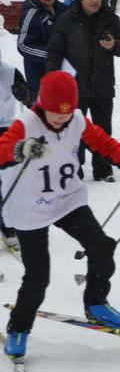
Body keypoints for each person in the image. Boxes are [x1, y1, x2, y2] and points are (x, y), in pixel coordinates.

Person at [0, 71, 120, 358]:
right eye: (55, 113)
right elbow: (2, 150)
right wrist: (20, 149)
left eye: (65, 114)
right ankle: (19, 328)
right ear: (42, 103)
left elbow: (105, 143)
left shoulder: (76, 119)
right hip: (31, 208)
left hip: (67, 200)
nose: (61, 120)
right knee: (38, 277)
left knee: (103, 246)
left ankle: (95, 303)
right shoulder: (27, 124)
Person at [46, 0, 120, 183]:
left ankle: (103, 169)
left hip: (103, 84)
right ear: (82, 0)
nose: (95, 1)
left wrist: (114, 45)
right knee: (74, 129)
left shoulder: (110, 18)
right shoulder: (67, 20)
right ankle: (74, 169)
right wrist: (51, 80)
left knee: (103, 128)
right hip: (75, 87)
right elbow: (54, 52)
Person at [0, 49, 34, 251]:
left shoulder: (9, 72)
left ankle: (8, 224)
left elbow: (29, 97)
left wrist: (24, 94)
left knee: (7, 177)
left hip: (5, 126)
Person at [17, 0, 67, 95]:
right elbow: (22, 45)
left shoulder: (63, 10)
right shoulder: (32, 13)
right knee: (43, 112)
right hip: (38, 75)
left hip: (62, 72)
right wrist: (50, 55)